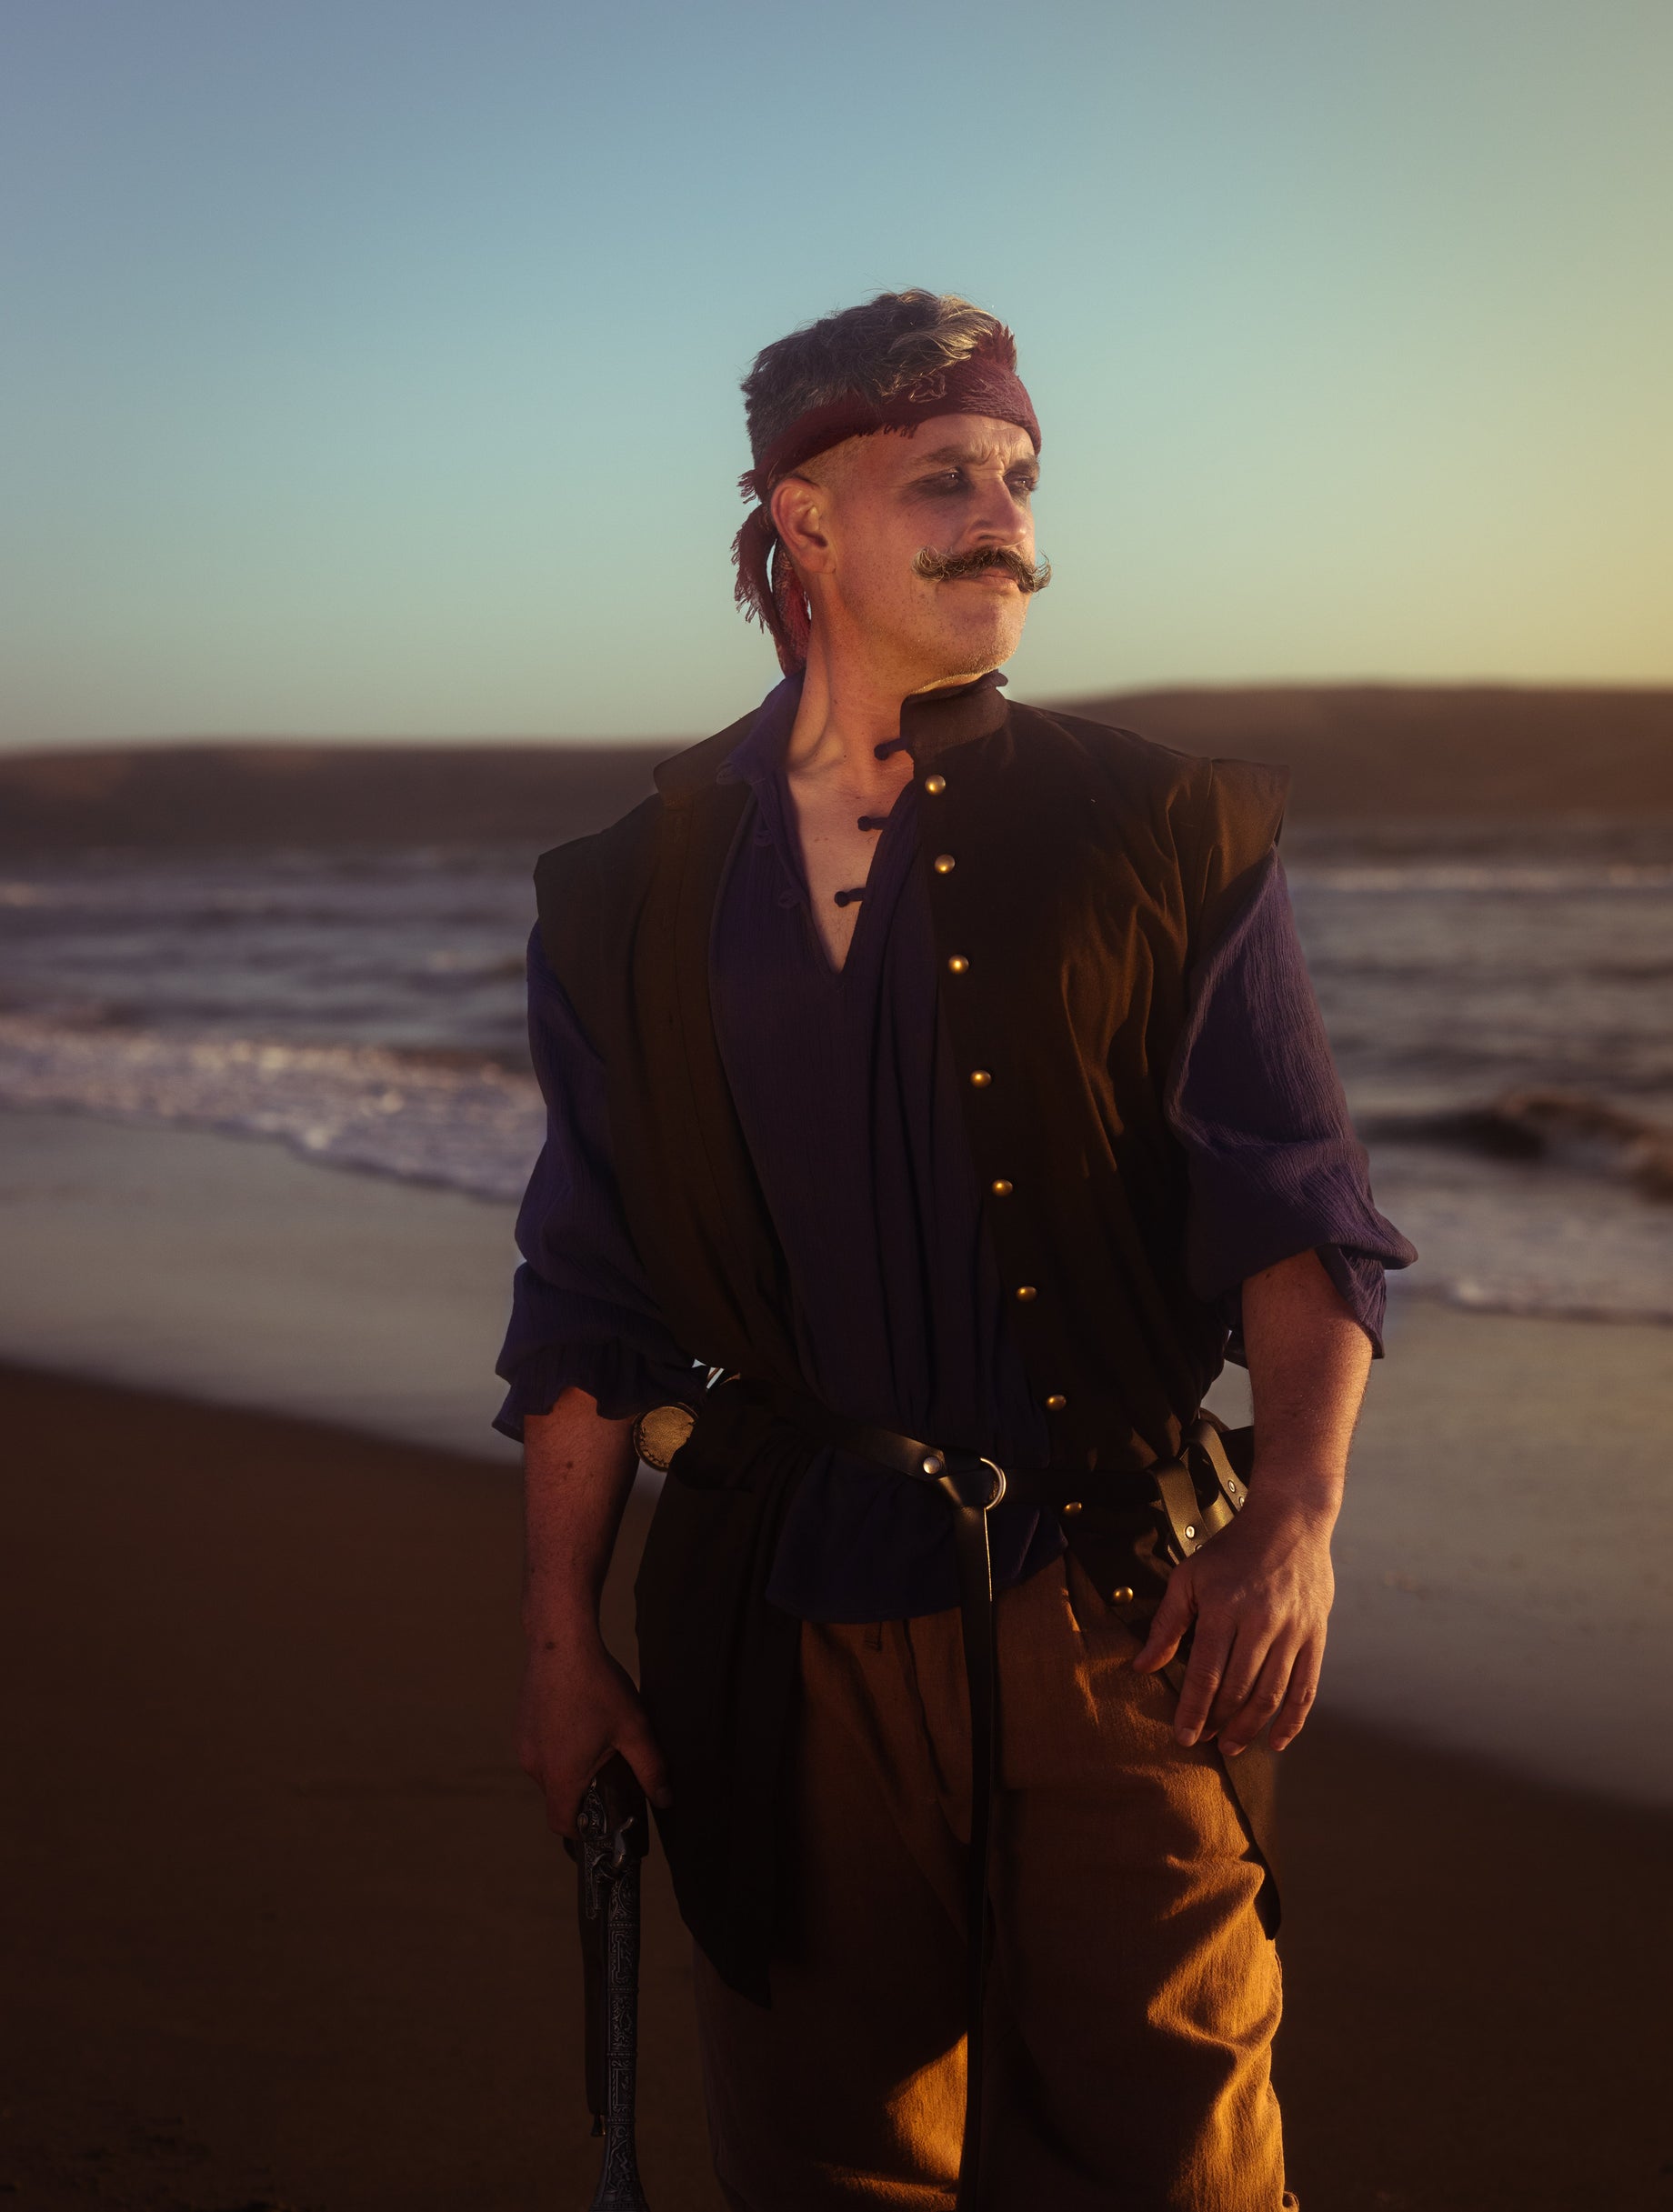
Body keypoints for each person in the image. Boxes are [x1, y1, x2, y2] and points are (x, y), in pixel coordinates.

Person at [496, 288, 1414, 2212]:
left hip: (1118, 1611)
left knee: (1186, 2168)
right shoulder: (630, 886)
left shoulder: (1160, 825)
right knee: (832, 2165)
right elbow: (589, 1290)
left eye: (1016, 473)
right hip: (783, 1617)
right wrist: (564, 1637)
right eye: (942, 477)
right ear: (802, 519)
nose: (1000, 513)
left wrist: (1295, 1515)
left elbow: (1293, 1202)